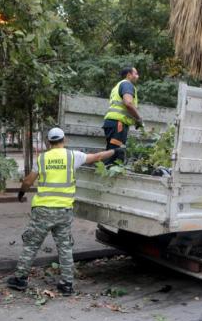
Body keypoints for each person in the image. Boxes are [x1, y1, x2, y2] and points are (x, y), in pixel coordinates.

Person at [7, 127, 123, 296]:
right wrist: (116, 151)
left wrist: (21, 192)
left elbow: (28, 180)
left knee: (31, 245)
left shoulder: (42, 158)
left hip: (43, 211)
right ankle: (67, 284)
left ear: (48, 142)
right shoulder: (72, 156)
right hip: (64, 211)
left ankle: (20, 280)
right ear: (64, 140)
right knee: (65, 248)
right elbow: (97, 157)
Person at [102, 66, 143, 164]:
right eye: (135, 74)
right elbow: (128, 103)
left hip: (113, 123)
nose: (138, 76)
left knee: (112, 152)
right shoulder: (127, 85)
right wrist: (138, 118)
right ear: (129, 75)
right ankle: (111, 177)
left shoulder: (118, 85)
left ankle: (108, 174)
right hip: (118, 124)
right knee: (116, 155)